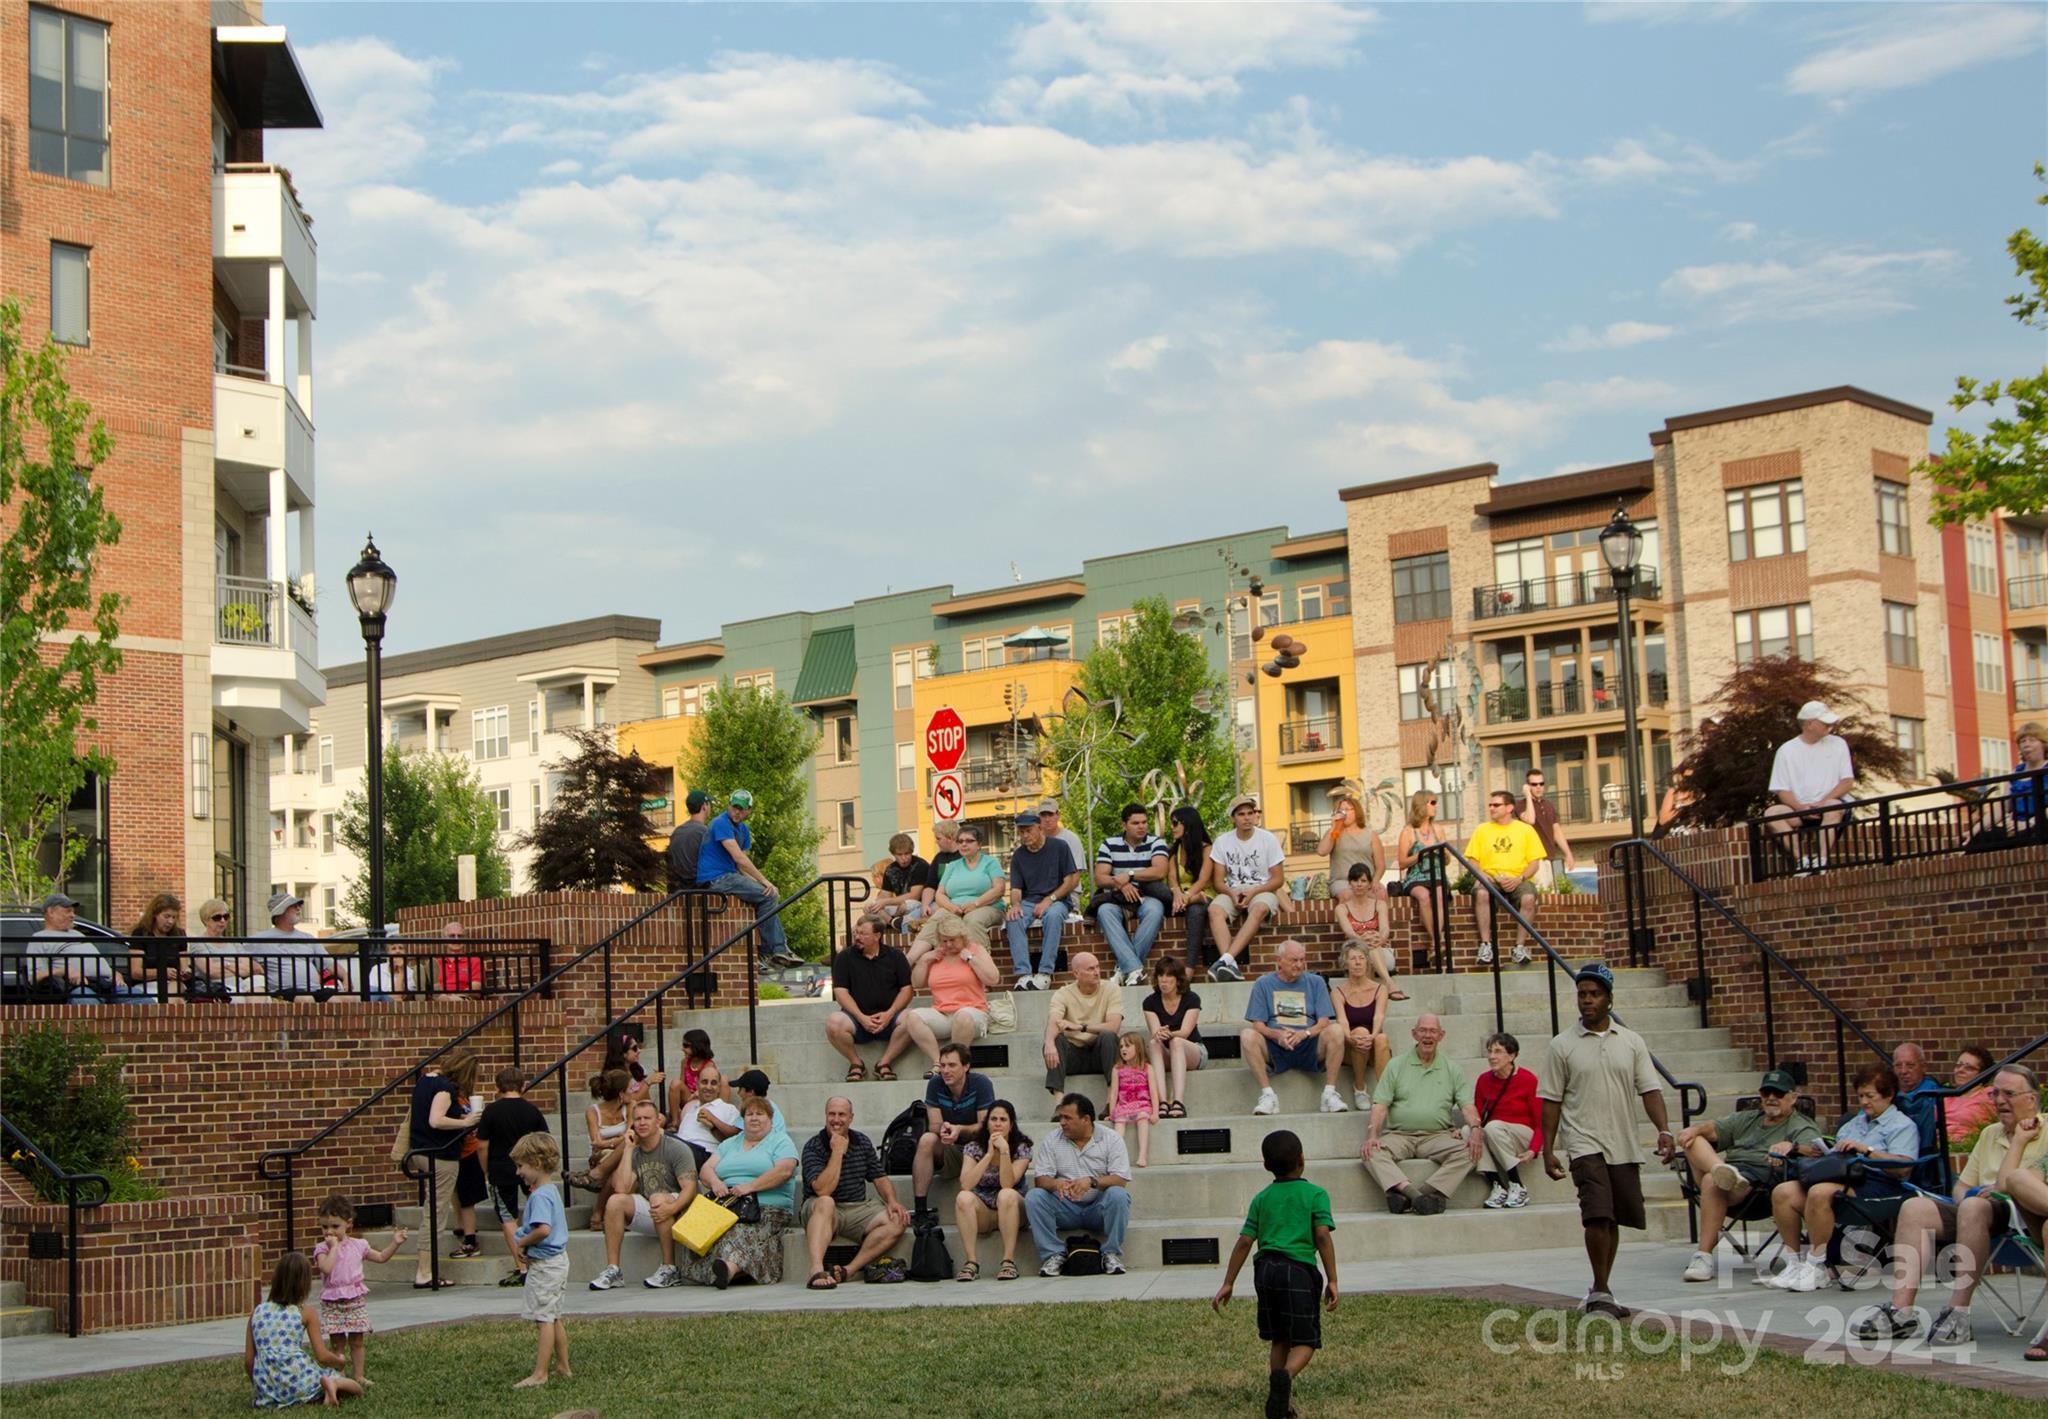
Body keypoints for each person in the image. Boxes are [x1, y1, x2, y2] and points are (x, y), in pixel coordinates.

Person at [1856, 1063, 2046, 1343]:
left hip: (2022, 1215)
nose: (2000, 1101)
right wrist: (1965, 1200)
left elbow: (2012, 1186)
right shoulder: (1989, 1133)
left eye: (2009, 1094)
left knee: (1974, 1207)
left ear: (2031, 1098)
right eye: (1995, 1094)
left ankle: (1958, 1312)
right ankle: (1901, 1311)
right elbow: (1962, 1187)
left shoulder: (2044, 1129)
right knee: (1914, 1207)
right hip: (1977, 1212)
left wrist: (1988, 1193)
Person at [1539, 962, 1671, 1319]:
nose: (1587, 1001)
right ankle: (1600, 1289)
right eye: (1581, 994)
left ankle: (1602, 1289)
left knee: (1613, 1219)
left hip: (1623, 1142)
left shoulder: (1631, 1042)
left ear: (1609, 999)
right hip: (1583, 1142)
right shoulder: (1561, 1045)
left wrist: (1664, 1130)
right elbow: (1551, 1099)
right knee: (1596, 1215)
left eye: (1594, 994)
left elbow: (1651, 1090)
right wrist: (1549, 1149)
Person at [1760, 1064, 1919, 1293]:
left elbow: (1903, 1167)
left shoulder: (1902, 1125)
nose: (1864, 1102)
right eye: (1860, 1096)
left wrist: (1866, 1150)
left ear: (1889, 1094)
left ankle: (1817, 1267)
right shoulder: (1854, 1122)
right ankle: (1795, 1264)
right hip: (1843, 1177)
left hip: (1879, 1185)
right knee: (1783, 1192)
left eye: (1870, 1096)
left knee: (1820, 1192)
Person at [1213, 1129, 1338, 1419]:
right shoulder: (1315, 1194)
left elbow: (1245, 1241)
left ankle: (1277, 1402)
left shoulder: (1262, 1198)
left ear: (1266, 1165)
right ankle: (1284, 1378)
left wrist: (1228, 1282)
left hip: (1265, 1271)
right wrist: (1332, 1278)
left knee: (1280, 1338)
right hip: (1299, 1271)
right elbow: (1322, 1235)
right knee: (1306, 1341)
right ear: (1302, 1159)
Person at [1673, 1068, 1823, 1281]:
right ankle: (1720, 1169)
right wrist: (1693, 1130)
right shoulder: (1749, 1118)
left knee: (1710, 1181)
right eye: (1766, 1093)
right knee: (1693, 1141)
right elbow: (1714, 1127)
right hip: (1732, 1173)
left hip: (1760, 1187)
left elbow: (1817, 1151)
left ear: (1793, 1098)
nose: (1771, 1098)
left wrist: (1792, 1145)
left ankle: (1703, 1255)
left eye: (1778, 1094)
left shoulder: (1800, 1125)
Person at [1360, 1015, 1478, 1214]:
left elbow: (1467, 1106)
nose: (1427, 1035)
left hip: (1437, 1136)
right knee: (1370, 1151)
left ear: (1441, 1035)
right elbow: (1380, 1106)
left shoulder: (1452, 1068)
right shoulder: (1396, 1065)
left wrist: (1475, 1129)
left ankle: (1411, 1196)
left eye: (1433, 1031)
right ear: (1414, 1034)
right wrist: (1372, 1136)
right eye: (1423, 1030)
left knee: (1471, 1152)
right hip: (1400, 1136)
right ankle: (1419, 1198)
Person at [685, 1096, 800, 1288]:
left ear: (770, 1119)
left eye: (760, 1114)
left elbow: (785, 1170)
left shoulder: (780, 1141)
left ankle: (728, 1270)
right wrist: (715, 1183)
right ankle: (728, 1270)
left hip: (766, 1208)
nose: (754, 1118)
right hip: (728, 1206)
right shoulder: (730, 1144)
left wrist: (751, 1186)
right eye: (749, 1114)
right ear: (742, 1119)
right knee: (697, 1229)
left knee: (738, 1231)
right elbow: (706, 1169)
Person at [800, 1095, 911, 1290]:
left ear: (851, 1118)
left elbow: (879, 1177)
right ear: (825, 1116)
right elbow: (823, 1189)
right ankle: (816, 1269)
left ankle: (848, 1270)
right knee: (826, 1201)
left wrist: (892, 1201)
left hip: (856, 1208)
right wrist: (837, 1152)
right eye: (831, 1114)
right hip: (820, 1209)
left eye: (842, 1115)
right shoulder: (813, 1146)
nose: (836, 1120)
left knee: (898, 1219)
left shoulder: (861, 1141)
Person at [586, 1100, 696, 1290]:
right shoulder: (635, 1152)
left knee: (658, 1198)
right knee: (615, 1201)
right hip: (656, 1211)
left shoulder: (675, 1148)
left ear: (657, 1122)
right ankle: (614, 1270)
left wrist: (672, 1207)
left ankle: (670, 1269)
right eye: (637, 1119)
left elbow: (690, 1188)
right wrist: (627, 1149)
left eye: (647, 1118)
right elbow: (621, 1188)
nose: (642, 1123)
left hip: (684, 1211)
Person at [1027, 1093, 1133, 1276]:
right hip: (1065, 1207)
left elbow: (1120, 1179)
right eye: (1060, 1117)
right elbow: (1040, 1180)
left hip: (1097, 1208)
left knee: (1118, 1195)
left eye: (1067, 1117)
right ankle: (1054, 1255)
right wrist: (1055, 1184)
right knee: (1034, 1197)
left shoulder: (1111, 1139)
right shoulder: (1052, 1139)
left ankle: (1110, 1253)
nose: (1062, 1122)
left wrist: (1091, 1182)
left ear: (1086, 1119)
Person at [696, 789, 804, 969]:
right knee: (768, 895)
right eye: (734, 807)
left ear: (749, 810)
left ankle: (768, 952)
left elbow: (742, 867)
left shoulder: (743, 830)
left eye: (741, 809)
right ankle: (774, 950)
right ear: (728, 805)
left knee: (767, 895)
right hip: (715, 878)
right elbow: (739, 858)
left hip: (730, 876)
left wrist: (759, 884)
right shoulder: (720, 823)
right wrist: (765, 882)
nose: (737, 812)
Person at [1240, 940, 1348, 1117]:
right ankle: (1268, 1096)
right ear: (1279, 960)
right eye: (1293, 960)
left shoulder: (1316, 982)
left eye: (1302, 960)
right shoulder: (1263, 983)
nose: (1299, 965)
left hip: (1309, 1043)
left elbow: (1324, 1022)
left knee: (1336, 1031)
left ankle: (1329, 1094)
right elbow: (1257, 1024)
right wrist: (1277, 1035)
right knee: (1247, 1035)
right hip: (1275, 1046)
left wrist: (1304, 1034)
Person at [312, 1194, 407, 1387]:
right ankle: (339, 1376)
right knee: (337, 1342)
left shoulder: (358, 1245)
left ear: (348, 1224)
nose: (329, 1231)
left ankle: (359, 1375)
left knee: (357, 1340)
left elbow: (380, 1257)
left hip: (354, 1299)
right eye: (324, 1227)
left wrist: (395, 1243)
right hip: (333, 1301)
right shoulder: (322, 1249)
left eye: (335, 1226)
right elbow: (326, 1269)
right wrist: (334, 1249)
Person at [246, 1251, 360, 1409]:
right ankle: (333, 1383)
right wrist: (340, 1361)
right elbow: (322, 1356)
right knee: (354, 1387)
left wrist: (261, 1386)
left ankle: (324, 1390)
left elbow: (249, 1361)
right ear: (304, 1284)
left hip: (268, 1393)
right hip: (298, 1380)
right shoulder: (305, 1312)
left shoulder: (256, 1312)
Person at [407, 1049, 479, 1288]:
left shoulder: (425, 1080)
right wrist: (466, 1122)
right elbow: (436, 1120)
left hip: (421, 1152)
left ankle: (426, 1270)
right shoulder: (445, 1088)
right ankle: (425, 1272)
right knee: (436, 1214)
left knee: (433, 1211)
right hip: (441, 1156)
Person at [474, 1067, 549, 1287]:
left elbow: (481, 1145)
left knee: (508, 1217)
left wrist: (486, 1169)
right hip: (532, 1169)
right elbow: (544, 1140)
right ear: (523, 1086)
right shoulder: (532, 1111)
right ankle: (539, 1260)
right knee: (537, 1210)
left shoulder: (491, 1111)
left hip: (500, 1168)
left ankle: (522, 1267)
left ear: (498, 1088)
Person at [508, 1131, 570, 1390]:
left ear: (536, 1163)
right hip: (557, 1262)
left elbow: (543, 1229)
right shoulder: (551, 1191)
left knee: (543, 1317)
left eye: (521, 1166)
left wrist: (521, 1241)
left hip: (546, 1266)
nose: (518, 1172)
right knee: (554, 1315)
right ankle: (563, 1367)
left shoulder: (540, 1196)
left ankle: (540, 1373)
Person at [1762, 701, 1857, 869]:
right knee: (1772, 813)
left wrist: (1821, 803)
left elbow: (1847, 782)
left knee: (1832, 806)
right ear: (1809, 724)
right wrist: (1800, 808)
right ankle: (1802, 861)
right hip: (1801, 809)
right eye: (1824, 722)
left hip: (1832, 805)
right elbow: (1782, 789)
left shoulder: (1838, 744)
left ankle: (1822, 860)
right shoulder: (1786, 750)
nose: (1830, 725)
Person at [825, 915, 915, 1082]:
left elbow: (907, 990)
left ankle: (884, 1063)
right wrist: (862, 1018)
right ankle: (856, 1063)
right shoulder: (845, 957)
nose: (857, 938)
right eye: (856, 933)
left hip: (890, 1017)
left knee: (913, 1018)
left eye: (863, 934)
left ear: (877, 936)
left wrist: (889, 1014)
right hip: (857, 1019)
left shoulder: (895, 956)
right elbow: (841, 992)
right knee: (833, 1022)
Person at [1207, 795, 1285, 983]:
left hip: (1263, 888)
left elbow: (1278, 880)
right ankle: (1231, 966)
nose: (1247, 818)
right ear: (1233, 818)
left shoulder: (1268, 839)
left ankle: (1224, 959)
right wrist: (1232, 893)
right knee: (1214, 910)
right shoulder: (1222, 841)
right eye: (1241, 814)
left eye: (1251, 813)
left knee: (1259, 909)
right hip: (1233, 889)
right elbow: (1218, 882)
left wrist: (1254, 892)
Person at [1091, 803, 1172, 986]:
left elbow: (1160, 871)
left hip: (1147, 896)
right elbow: (1100, 878)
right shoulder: (1109, 844)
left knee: (1155, 911)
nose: (1141, 826)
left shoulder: (1156, 842)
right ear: (1124, 825)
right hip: (1117, 897)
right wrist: (1120, 885)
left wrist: (1129, 875)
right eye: (1135, 823)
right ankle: (1134, 969)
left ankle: (1124, 968)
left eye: (1144, 822)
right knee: (1104, 911)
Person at [1463, 791, 1545, 967]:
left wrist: (1519, 878)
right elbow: (1471, 860)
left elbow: (1534, 863)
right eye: (1490, 805)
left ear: (1509, 808)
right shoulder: (1482, 830)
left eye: (1496, 805)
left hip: (1518, 878)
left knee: (1529, 897)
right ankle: (1486, 946)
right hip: (1490, 878)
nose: (1491, 808)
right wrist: (1482, 874)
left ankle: (1519, 947)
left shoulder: (1525, 830)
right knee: (1481, 893)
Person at [904, 914, 1000, 1064]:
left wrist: (971, 959)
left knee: (962, 1016)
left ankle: (955, 1063)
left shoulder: (975, 950)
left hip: (972, 1014)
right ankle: (938, 1063)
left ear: (963, 937)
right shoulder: (937, 955)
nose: (948, 945)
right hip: (942, 1014)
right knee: (912, 1017)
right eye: (944, 941)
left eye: (952, 940)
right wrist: (924, 960)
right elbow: (916, 983)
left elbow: (993, 979)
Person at [954, 1100, 1033, 1282]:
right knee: (963, 1197)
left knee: (1005, 1195)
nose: (998, 1123)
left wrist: (1004, 1152)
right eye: (993, 1119)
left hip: (1014, 1209)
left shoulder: (1022, 1148)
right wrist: (989, 1154)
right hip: (986, 1212)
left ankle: (1008, 1261)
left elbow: (1007, 1184)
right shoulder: (974, 1147)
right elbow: (966, 1184)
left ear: (1011, 1125)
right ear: (986, 1123)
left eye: (1003, 1120)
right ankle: (971, 1263)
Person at [913, 1041, 995, 1210]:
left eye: (952, 1065)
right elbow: (934, 1124)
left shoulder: (981, 1083)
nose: (946, 1071)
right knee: (927, 1139)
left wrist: (959, 1129)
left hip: (977, 1149)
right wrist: (944, 1129)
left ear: (966, 1066)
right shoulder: (935, 1083)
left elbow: (985, 1126)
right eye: (942, 1065)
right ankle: (920, 1209)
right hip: (950, 1148)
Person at [1005, 810, 1078, 990]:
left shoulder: (1059, 846)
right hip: (1029, 901)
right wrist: (1015, 905)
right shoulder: (1019, 856)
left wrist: (1050, 899)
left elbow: (1071, 880)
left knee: (1053, 916)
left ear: (1039, 827)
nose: (1025, 835)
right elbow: (1015, 889)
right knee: (1013, 919)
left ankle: (1045, 973)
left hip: (1058, 899)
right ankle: (1024, 974)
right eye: (1021, 832)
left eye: (1028, 830)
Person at [1474, 1032, 1544, 1210]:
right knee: (1470, 1131)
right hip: (1495, 1132)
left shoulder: (1528, 1080)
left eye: (1498, 1051)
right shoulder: (1483, 1080)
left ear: (1512, 1055)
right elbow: (1477, 1115)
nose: (1491, 1056)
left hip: (1522, 1135)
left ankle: (1517, 1184)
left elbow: (1541, 1122)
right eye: (1490, 1051)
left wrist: (1534, 1149)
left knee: (1493, 1127)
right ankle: (1497, 1185)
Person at [913, 824, 1006, 957]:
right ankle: (909, 961)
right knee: (936, 920)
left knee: (972, 920)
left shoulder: (990, 862)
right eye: (960, 841)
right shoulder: (952, 866)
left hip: (988, 907)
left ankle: (980, 965)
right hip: (955, 908)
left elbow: (999, 889)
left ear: (979, 844)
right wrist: (951, 907)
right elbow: (940, 894)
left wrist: (975, 904)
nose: (964, 844)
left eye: (969, 841)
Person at [1042, 950, 1124, 1097]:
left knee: (1109, 1037)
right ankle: (1060, 1104)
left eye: (1097, 967)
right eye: (1090, 969)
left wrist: (1081, 1027)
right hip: (1073, 1056)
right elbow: (1054, 1021)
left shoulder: (1111, 989)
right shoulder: (1063, 993)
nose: (1097, 972)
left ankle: (1111, 1101)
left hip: (1101, 1054)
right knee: (1054, 1040)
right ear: (1076, 973)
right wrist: (1048, 1043)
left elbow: (1114, 1026)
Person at [1142, 957, 1206, 1120]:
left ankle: (1178, 1101)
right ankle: (1162, 1102)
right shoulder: (1150, 1002)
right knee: (1153, 1043)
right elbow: (1155, 1031)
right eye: (1160, 975)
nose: (1163, 980)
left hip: (1193, 1049)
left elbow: (1184, 1032)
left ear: (1178, 979)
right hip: (1166, 1052)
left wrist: (1168, 1034)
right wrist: (1159, 1033)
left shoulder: (1191, 998)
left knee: (1176, 1041)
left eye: (1169, 976)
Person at [25, 890, 118, 1000]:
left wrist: (114, 973)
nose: (73, 915)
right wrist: (64, 970)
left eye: (73, 912)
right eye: (68, 911)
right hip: (80, 988)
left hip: (109, 985)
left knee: (142, 1002)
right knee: (88, 1006)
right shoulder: (39, 939)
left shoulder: (77, 933)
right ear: (51, 912)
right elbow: (35, 977)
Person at [1331, 943, 1391, 1114]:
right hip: (1351, 1045)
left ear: (1367, 962)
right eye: (1353, 959)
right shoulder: (1337, 992)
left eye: (1361, 958)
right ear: (1345, 963)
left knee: (1381, 1038)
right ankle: (1360, 1087)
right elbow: (1342, 1020)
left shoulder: (1380, 989)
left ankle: (1384, 1095)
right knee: (1360, 1032)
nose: (1357, 963)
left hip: (1373, 1045)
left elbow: (1379, 1016)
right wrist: (1350, 1037)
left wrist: (1372, 1036)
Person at [1394, 790, 1451, 966]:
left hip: (1438, 874)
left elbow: (1448, 859)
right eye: (1432, 803)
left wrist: (1442, 852)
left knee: (1440, 896)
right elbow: (1402, 862)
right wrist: (1421, 854)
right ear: (1421, 805)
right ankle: (1436, 942)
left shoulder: (1439, 829)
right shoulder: (1408, 832)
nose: (1435, 806)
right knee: (1423, 897)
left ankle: (1435, 944)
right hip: (1417, 875)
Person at [1318, 787, 1385, 927]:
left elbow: (1380, 865)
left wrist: (1376, 880)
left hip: (1366, 880)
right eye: (1341, 810)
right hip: (1343, 881)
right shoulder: (1335, 833)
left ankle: (1378, 934)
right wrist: (1333, 828)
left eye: (1348, 809)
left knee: (1380, 895)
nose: (1344, 813)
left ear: (1357, 812)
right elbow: (1322, 851)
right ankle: (1354, 937)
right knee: (1348, 896)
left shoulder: (1370, 834)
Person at [1335, 863, 1401, 1004]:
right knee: (1367, 948)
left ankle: (1370, 998)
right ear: (1350, 883)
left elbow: (1385, 929)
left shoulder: (1380, 905)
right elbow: (1348, 931)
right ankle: (1389, 983)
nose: (1359, 884)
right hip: (1354, 953)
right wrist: (1362, 941)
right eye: (1355, 880)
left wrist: (1380, 939)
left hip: (1380, 950)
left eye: (1363, 881)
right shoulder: (1342, 908)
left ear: (1370, 884)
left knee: (1372, 947)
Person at [251, 892, 335, 1001]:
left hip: (315, 989)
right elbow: (240, 957)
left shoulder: (308, 937)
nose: (299, 909)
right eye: (294, 906)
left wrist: (347, 979)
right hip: (284, 991)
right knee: (306, 999)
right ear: (281, 911)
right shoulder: (259, 939)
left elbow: (330, 964)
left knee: (348, 998)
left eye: (299, 906)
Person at [1164, 805, 1217, 972]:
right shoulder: (1174, 849)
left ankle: (1189, 968)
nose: (1171, 828)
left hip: (1203, 894)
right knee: (1153, 887)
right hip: (1179, 897)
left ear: (1187, 824)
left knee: (1196, 910)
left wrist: (1187, 897)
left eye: (1175, 823)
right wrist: (1178, 893)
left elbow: (1203, 879)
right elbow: (1172, 878)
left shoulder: (1207, 848)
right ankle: (1190, 900)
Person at [567, 1068, 630, 1196]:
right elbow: (596, 1143)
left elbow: (630, 1136)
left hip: (617, 1154)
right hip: (598, 1155)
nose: (634, 1092)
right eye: (631, 1089)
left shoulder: (631, 1107)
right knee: (612, 1156)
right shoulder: (592, 1112)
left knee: (616, 1164)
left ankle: (593, 1179)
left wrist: (609, 1142)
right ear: (621, 1094)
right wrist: (619, 1139)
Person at [668, 1061, 740, 1170]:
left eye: (714, 1083)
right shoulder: (690, 1108)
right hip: (681, 1150)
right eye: (704, 1082)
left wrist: (713, 1120)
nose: (708, 1087)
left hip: (704, 1154)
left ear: (719, 1087)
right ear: (697, 1084)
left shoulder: (728, 1109)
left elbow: (736, 1138)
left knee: (659, 1135)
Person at [1108, 1031, 1162, 1168]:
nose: (1123, 1049)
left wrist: (1155, 1112)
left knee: (1142, 1119)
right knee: (1119, 1123)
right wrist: (1112, 1112)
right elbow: (1114, 1093)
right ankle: (1117, 1157)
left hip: (1142, 1105)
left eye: (1127, 1046)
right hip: (1124, 1105)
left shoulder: (1147, 1068)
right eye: (1121, 1047)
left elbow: (1153, 1091)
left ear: (1137, 1047)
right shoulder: (1117, 1069)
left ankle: (1142, 1155)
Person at [1518, 767, 1576, 887]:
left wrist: (1568, 853)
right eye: (1534, 784)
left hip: (1549, 858)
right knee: (1540, 897)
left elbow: (1556, 830)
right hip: (1533, 860)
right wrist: (1528, 796)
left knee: (1551, 896)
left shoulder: (1548, 805)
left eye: (1541, 783)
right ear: (1528, 786)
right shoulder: (1521, 805)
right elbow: (1530, 819)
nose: (1538, 787)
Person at [124, 893, 185, 1002]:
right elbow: (135, 972)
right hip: (145, 985)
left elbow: (184, 966)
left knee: (176, 992)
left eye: (174, 917)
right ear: (155, 915)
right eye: (166, 916)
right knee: (176, 1001)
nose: (170, 921)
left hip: (174, 984)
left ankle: (166, 1011)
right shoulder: (140, 934)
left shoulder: (179, 935)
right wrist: (162, 972)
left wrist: (185, 972)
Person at [871, 831, 932, 931]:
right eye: (899, 854)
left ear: (911, 851)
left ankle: (893, 921)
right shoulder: (890, 869)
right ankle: (893, 922)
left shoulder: (920, 865)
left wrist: (885, 902)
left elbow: (915, 895)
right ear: (893, 854)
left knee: (907, 905)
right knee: (871, 908)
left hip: (920, 905)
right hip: (898, 906)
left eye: (907, 854)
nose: (904, 858)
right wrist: (876, 903)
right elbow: (885, 894)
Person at [1941, 1044, 2000, 1143]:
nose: (1960, 1070)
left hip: (1968, 1149)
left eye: (1968, 1068)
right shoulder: (1947, 1097)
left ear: (1982, 1074)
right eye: (1958, 1065)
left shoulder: (1990, 1095)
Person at [1037, 802, 1088, 915]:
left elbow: (1075, 878)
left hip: (1068, 895)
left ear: (1058, 815)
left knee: (1054, 915)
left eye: (1050, 815)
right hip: (1040, 896)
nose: (1047, 819)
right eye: (1043, 815)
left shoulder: (1071, 839)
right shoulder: (1034, 840)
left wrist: (1052, 898)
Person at [665, 788, 711, 893]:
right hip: (698, 890)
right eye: (709, 804)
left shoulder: (677, 831)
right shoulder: (704, 832)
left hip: (676, 889)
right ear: (704, 806)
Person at [601, 1030, 664, 1103]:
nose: (639, 1051)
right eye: (634, 1048)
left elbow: (646, 1097)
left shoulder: (637, 1070)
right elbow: (629, 1100)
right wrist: (648, 1082)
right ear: (623, 1053)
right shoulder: (615, 1076)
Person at [679, 1029, 715, 1096]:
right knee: (676, 1083)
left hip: (703, 1098)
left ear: (697, 1046)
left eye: (685, 1045)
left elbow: (709, 1089)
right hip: (688, 1098)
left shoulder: (709, 1066)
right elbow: (680, 1085)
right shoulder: (684, 1062)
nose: (682, 1049)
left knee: (724, 1080)